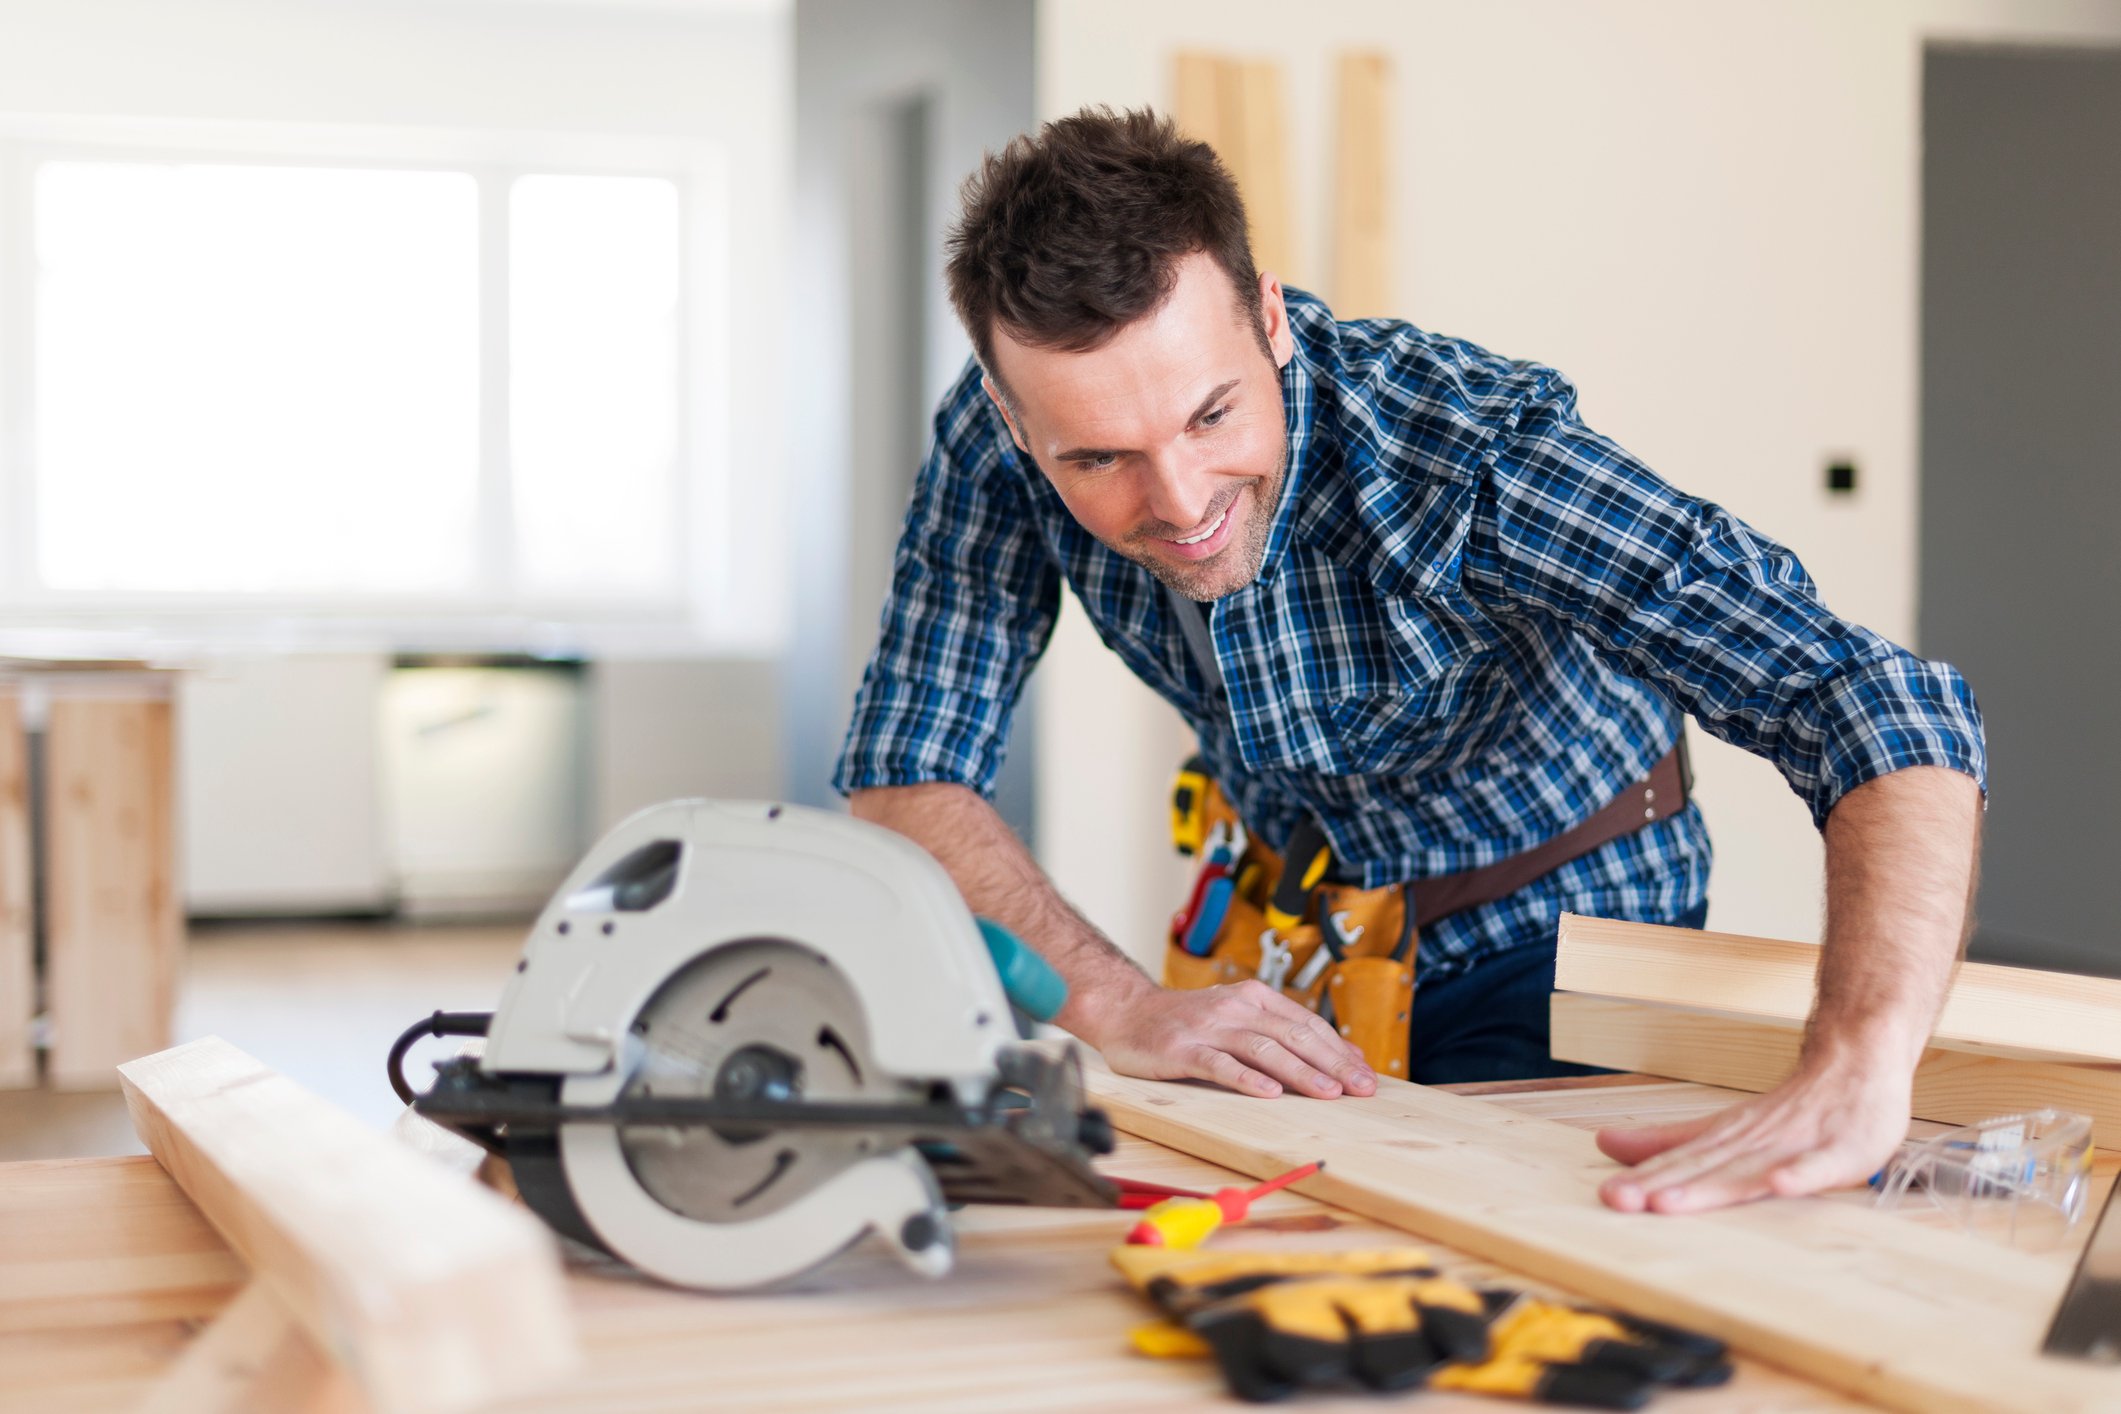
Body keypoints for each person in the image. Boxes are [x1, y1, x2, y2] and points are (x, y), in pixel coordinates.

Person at [833, 107, 1985, 1215]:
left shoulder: (1467, 456)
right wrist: (1121, 1005)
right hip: (1320, 923)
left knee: (1516, 1243)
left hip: (1561, 912)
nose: (1179, 502)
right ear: (1012, 411)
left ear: (1271, 320)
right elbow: (906, 776)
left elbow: (1865, 699)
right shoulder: (993, 443)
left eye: (1212, 416)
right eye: (1100, 458)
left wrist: (1860, 1057)